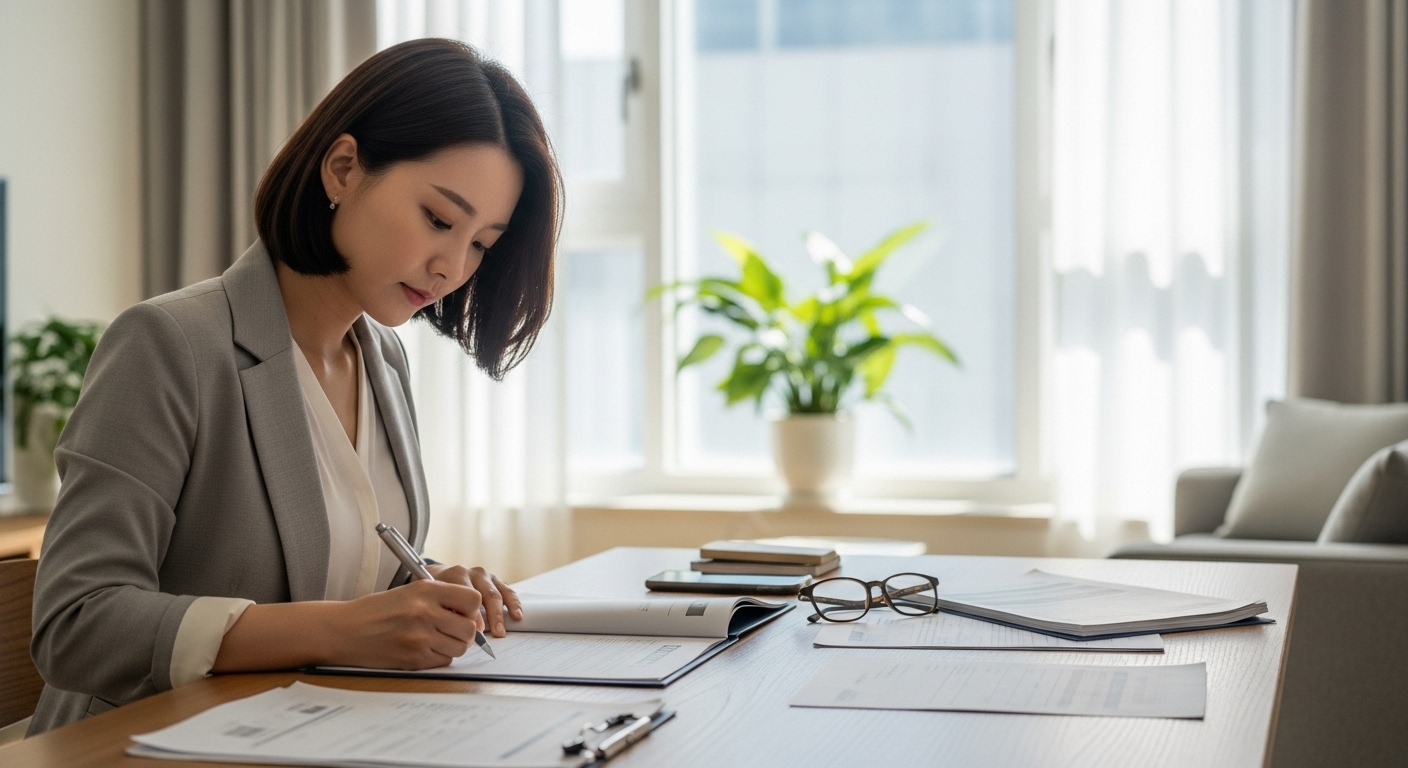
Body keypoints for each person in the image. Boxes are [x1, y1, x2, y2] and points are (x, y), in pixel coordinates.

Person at [26, 38, 560, 735]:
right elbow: (76, 623)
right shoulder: (168, 345)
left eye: (482, 243)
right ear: (343, 169)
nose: (451, 266)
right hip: (145, 744)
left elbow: (334, 568)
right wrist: (340, 630)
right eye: (437, 219)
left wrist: (429, 590)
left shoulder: (383, 361)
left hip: (314, 733)